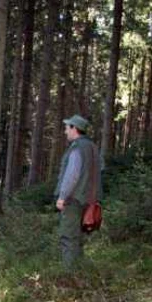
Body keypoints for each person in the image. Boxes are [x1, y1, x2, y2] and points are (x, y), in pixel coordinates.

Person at [54, 114, 102, 268]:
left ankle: (69, 277)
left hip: (74, 200)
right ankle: (80, 274)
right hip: (90, 200)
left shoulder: (77, 148)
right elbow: (101, 170)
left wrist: (62, 197)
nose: (65, 131)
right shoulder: (93, 147)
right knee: (78, 238)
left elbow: (72, 176)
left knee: (68, 237)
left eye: (67, 128)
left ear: (75, 129)